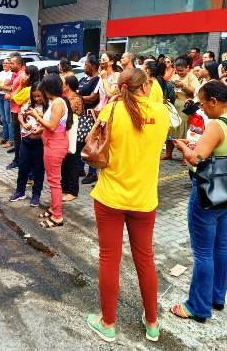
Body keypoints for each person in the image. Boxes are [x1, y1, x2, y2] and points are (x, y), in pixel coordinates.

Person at [86, 68, 169, 343]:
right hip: (144, 199)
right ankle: (152, 323)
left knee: (109, 258)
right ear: (145, 87)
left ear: (120, 87)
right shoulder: (162, 113)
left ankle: (108, 323)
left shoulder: (109, 112)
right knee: (145, 259)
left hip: (110, 196)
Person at [171, 80, 227, 323]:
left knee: (203, 252)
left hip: (208, 191)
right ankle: (217, 297)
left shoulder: (216, 124)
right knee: (220, 247)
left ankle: (197, 306)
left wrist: (183, 147)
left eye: (204, 104)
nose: (202, 108)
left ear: (214, 102)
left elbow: (195, 159)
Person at [25, 74, 72, 228]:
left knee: (54, 182)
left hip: (55, 145)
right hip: (52, 143)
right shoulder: (55, 102)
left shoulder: (58, 102)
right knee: (53, 180)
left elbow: (52, 126)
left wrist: (36, 116)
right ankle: (53, 209)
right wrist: (39, 131)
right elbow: (53, 126)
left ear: (48, 89)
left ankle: (57, 217)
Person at [8, 82, 47, 207]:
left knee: (38, 170)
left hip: (39, 142)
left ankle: (36, 195)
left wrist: (40, 128)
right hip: (25, 140)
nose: (37, 99)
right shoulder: (29, 104)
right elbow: (20, 114)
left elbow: (51, 124)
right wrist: (24, 124)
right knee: (23, 167)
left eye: (39, 96)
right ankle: (20, 191)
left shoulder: (49, 107)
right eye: (34, 96)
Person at [163, 58, 199, 161]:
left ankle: (185, 156)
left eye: (181, 70)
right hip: (174, 106)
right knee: (171, 130)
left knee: (183, 132)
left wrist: (183, 86)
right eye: (177, 70)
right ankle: (168, 154)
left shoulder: (192, 77)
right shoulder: (174, 76)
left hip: (185, 108)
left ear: (188, 68)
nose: (179, 72)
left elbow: (195, 93)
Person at [61, 75, 83, 202]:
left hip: (74, 133)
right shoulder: (66, 97)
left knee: (73, 161)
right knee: (66, 160)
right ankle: (65, 186)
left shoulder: (75, 99)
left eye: (63, 83)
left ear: (68, 86)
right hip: (67, 132)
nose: (61, 85)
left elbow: (70, 117)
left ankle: (73, 191)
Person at [78, 56, 101, 185]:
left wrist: (78, 97)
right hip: (82, 114)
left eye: (86, 64)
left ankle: (92, 172)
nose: (84, 67)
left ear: (92, 66)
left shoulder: (97, 80)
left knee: (91, 143)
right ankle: (80, 168)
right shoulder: (83, 78)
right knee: (81, 142)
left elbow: (93, 98)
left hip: (92, 115)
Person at [5, 53, 27, 169]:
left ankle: (18, 159)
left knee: (18, 137)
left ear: (19, 64)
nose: (10, 65)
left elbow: (22, 93)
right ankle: (18, 158)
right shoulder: (17, 74)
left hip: (18, 109)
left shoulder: (22, 76)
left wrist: (11, 96)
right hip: (14, 108)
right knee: (17, 136)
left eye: (12, 63)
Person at [0, 59, 13, 148]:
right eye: (4, 63)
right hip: (0, 95)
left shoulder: (11, 73)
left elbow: (6, 84)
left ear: (10, 64)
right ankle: (4, 138)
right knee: (3, 118)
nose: (5, 64)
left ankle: (11, 140)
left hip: (7, 96)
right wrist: (2, 85)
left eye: (7, 63)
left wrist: (1, 85)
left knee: (8, 119)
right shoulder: (1, 73)